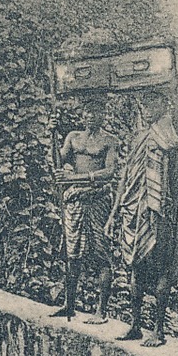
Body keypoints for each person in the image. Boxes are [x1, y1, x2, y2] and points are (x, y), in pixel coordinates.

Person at [107, 88, 178, 347]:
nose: (146, 106)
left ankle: (159, 330)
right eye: (144, 102)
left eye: (152, 101)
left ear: (164, 104)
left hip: (158, 212)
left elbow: (175, 180)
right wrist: (115, 212)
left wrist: (170, 212)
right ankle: (136, 325)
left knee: (161, 268)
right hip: (133, 211)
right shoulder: (138, 137)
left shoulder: (170, 138)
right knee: (135, 270)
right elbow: (126, 176)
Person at [50, 100, 116, 323]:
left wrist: (77, 178)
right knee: (72, 253)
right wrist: (53, 135)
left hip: (97, 199)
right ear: (82, 113)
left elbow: (109, 172)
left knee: (101, 252)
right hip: (75, 200)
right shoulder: (73, 137)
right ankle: (69, 305)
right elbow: (58, 161)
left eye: (96, 111)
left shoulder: (109, 140)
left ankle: (102, 311)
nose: (91, 115)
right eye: (88, 110)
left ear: (103, 115)